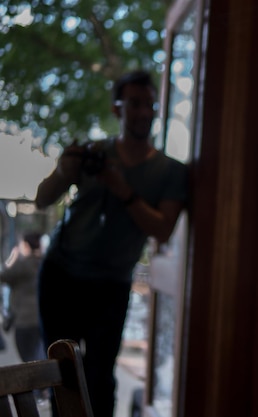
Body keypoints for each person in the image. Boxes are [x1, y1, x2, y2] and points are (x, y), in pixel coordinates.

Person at [35, 70, 188, 417]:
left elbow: (163, 230)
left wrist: (121, 188)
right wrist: (64, 171)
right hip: (62, 274)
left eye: (150, 104)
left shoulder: (170, 172)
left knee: (100, 378)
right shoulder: (94, 152)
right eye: (135, 103)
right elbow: (43, 198)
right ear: (117, 109)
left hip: (111, 284)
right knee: (59, 376)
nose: (144, 112)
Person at [0, 232, 45, 364]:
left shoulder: (22, 265)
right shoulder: (45, 263)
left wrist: (12, 258)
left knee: (29, 361)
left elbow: (3, 276)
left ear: (25, 245)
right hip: (41, 320)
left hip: (24, 321)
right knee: (39, 358)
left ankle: (37, 384)